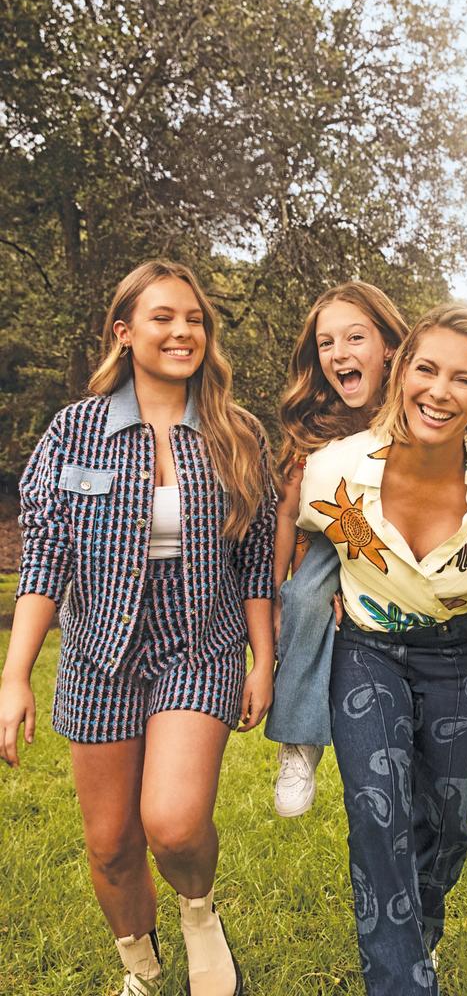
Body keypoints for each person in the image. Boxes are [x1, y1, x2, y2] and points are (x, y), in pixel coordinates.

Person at [0, 260, 276, 996]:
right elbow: (46, 558)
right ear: (125, 333)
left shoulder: (235, 433)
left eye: (194, 319)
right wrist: (15, 674)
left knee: (175, 824)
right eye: (162, 318)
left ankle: (199, 914)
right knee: (112, 845)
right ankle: (142, 971)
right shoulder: (77, 432)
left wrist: (263, 660)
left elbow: (254, 563)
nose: (182, 331)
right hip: (98, 654)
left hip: (197, 645)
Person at [297, 302, 467, 994]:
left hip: (462, 656)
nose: (439, 392)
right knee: (378, 811)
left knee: (451, 815)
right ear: (401, 371)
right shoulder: (333, 470)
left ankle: (417, 938)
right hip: (369, 650)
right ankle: (402, 981)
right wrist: (307, 594)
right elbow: (287, 542)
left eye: (462, 380)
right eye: (427, 370)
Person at [267, 283, 467, 817]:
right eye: (326, 343)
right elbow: (295, 515)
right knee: (306, 597)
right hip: (344, 532)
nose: (340, 353)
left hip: (446, 533)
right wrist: (288, 584)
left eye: (356, 337)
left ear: (393, 352)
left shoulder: (431, 396)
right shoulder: (321, 426)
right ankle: (299, 740)